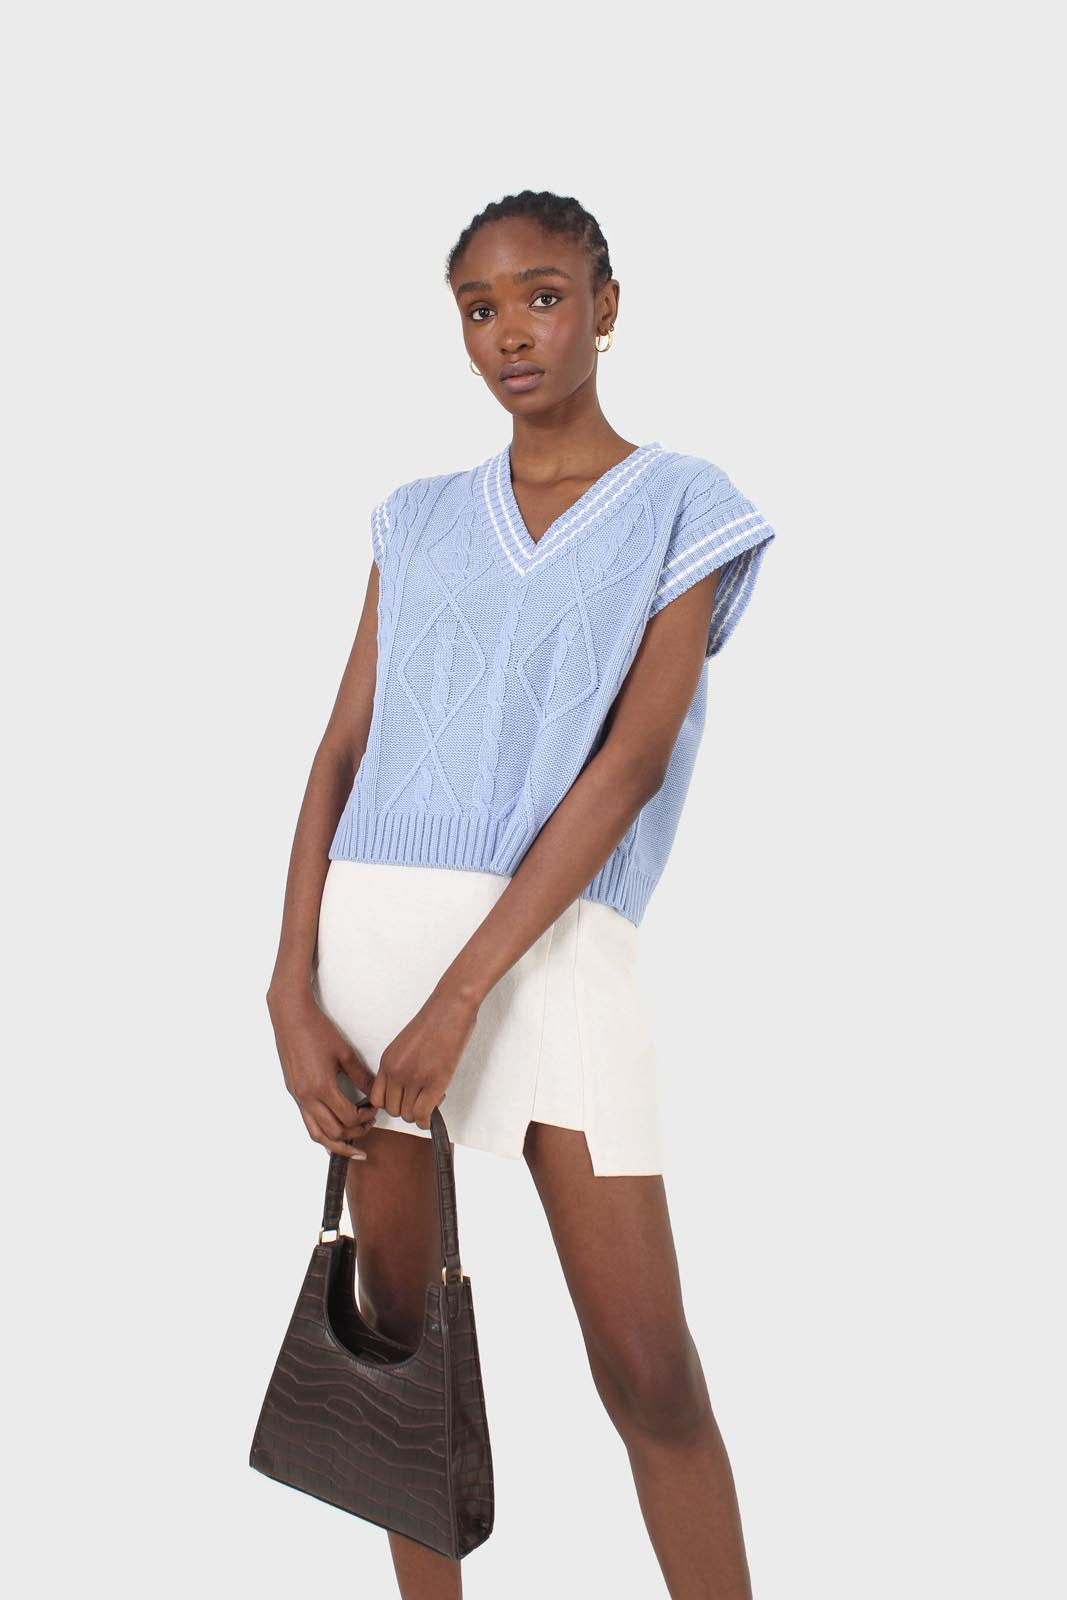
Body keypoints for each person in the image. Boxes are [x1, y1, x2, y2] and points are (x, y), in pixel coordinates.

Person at [266, 188, 778, 1599]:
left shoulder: (684, 505)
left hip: (550, 953)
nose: (511, 332)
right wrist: (288, 984)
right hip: (373, 950)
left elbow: (629, 768)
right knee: (400, 1348)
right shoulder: (418, 518)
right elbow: (341, 753)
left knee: (648, 1370)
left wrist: (461, 997)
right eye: (480, 308)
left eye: (543, 297)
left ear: (606, 307)